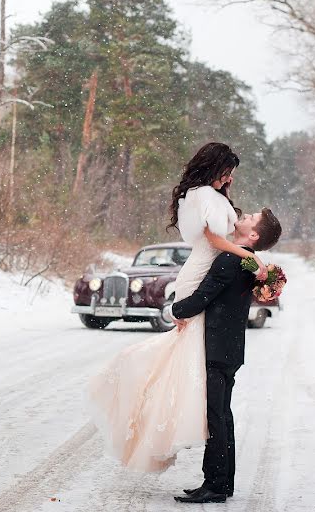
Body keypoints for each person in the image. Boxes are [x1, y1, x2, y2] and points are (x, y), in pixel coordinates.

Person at [86, 142, 265, 473]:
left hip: (207, 272)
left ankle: (185, 421)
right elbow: (213, 239)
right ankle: (175, 417)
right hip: (197, 273)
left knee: (188, 356)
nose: (231, 179)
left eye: (232, 175)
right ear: (215, 168)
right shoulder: (203, 196)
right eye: (228, 172)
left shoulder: (215, 195)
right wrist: (249, 256)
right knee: (187, 353)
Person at [172, 208, 282, 503]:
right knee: (223, 415)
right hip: (230, 348)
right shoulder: (246, 261)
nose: (244, 216)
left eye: (251, 218)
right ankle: (221, 482)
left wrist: (175, 310)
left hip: (218, 349)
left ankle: (216, 485)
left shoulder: (232, 260)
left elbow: (201, 298)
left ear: (254, 234)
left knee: (215, 417)